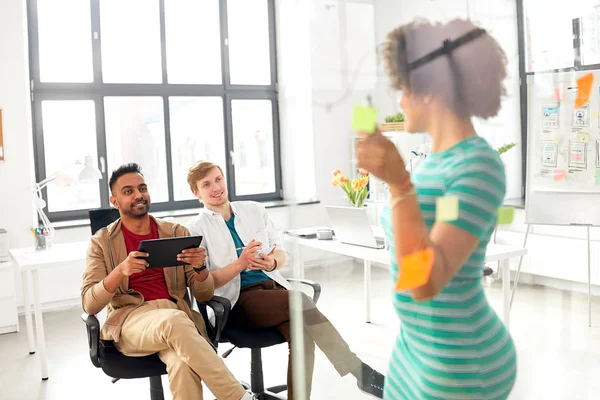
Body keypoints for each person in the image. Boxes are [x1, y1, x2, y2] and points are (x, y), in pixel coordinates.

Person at [354, 19, 517, 399]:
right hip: (416, 347)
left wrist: (398, 183)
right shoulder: (434, 164)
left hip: (459, 360)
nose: (400, 101)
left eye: (404, 89)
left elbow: (425, 281)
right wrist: (400, 183)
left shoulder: (477, 166)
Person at [185, 161, 385, 399]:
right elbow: (205, 286)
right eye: (207, 184)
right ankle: (359, 372)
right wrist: (240, 263)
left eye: (218, 179)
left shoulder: (253, 210)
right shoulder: (195, 229)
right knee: (300, 300)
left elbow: (281, 254)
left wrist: (271, 263)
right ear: (197, 193)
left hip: (275, 290)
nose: (216, 187)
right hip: (238, 301)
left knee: (302, 335)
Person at [81, 163, 252, 400]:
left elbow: (203, 295)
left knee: (182, 363)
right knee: (175, 321)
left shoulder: (176, 232)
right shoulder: (101, 242)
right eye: (128, 191)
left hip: (175, 314)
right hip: (132, 321)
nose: (139, 195)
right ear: (115, 201)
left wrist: (200, 268)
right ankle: (238, 396)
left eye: (142, 188)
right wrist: (121, 271)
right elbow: (89, 304)